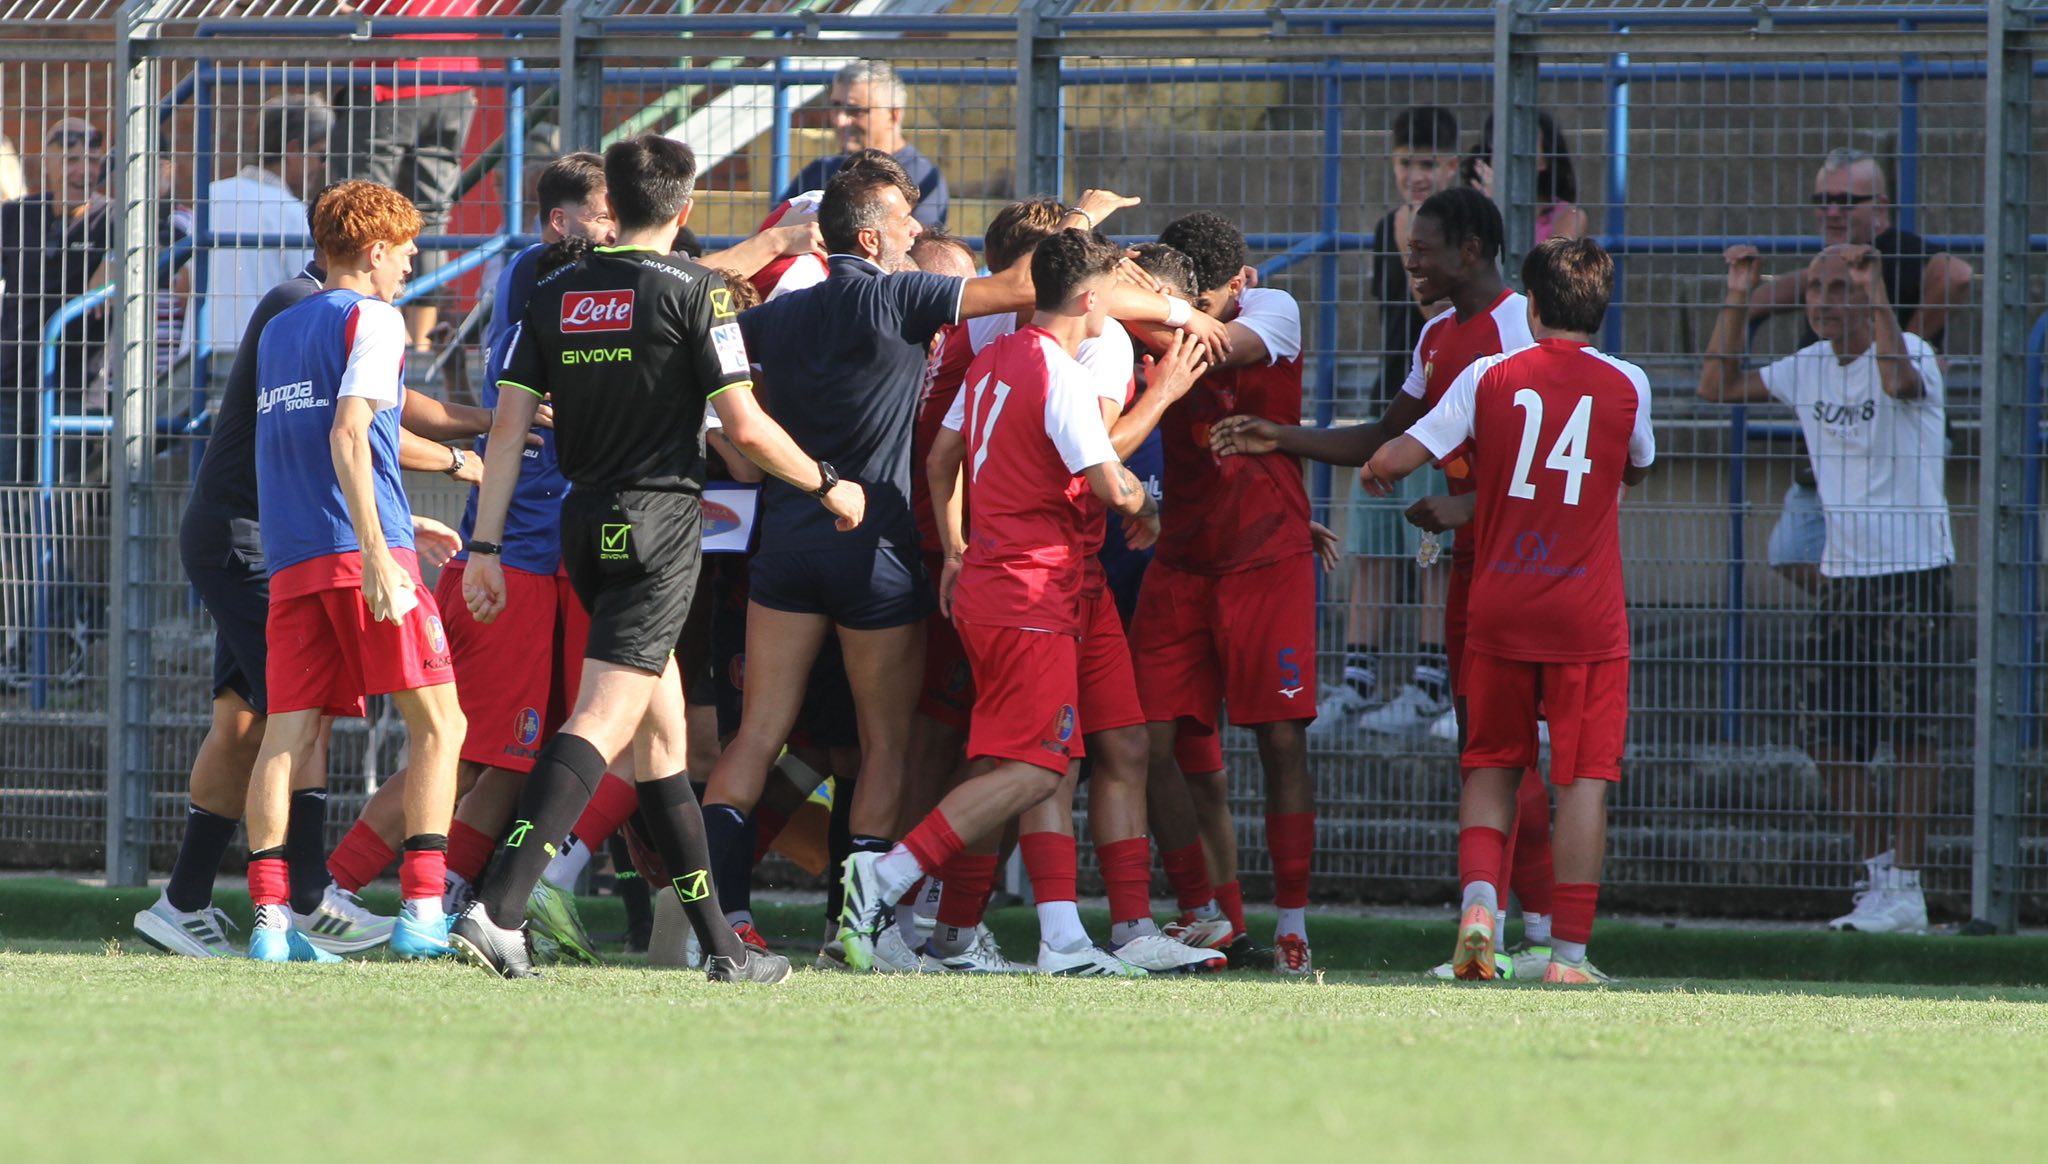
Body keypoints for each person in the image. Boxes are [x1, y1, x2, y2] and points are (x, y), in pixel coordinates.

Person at [696, 158, 1213, 942]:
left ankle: (724, 917)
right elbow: (1027, 286)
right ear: (870, 234)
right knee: (888, 745)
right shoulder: (898, 293)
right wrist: (1085, 224)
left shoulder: (779, 315)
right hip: (875, 543)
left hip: (787, 540)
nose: (918, 228)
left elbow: (703, 331)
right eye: (905, 217)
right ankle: (857, 929)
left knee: (758, 736)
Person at [452, 135, 854, 983]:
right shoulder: (698, 293)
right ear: (685, 206)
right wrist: (827, 485)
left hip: (582, 521)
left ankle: (720, 949)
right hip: (662, 524)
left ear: (616, 202)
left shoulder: (555, 288)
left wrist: (484, 543)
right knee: (601, 720)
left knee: (664, 743)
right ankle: (500, 905)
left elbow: (510, 425)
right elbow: (742, 427)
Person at [1210, 188, 1555, 975]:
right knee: (1488, 748)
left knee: (1504, 754)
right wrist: (1281, 438)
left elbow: (1536, 467)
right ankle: (1516, 930)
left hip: (1519, 569)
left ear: (1469, 249)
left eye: (1423, 251)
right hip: (1467, 569)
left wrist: (1466, 503)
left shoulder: (1518, 329)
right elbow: (1390, 435)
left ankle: (1531, 931)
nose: (1410, 265)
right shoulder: (1437, 334)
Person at [837, 228, 1159, 972]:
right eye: (1110, 292)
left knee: (1036, 754)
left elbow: (942, 457)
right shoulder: (1062, 375)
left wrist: (954, 547)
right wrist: (1151, 509)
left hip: (990, 581)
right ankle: (884, 878)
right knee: (1038, 766)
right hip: (1031, 588)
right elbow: (1110, 483)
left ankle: (1063, 941)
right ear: (1087, 299)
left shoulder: (991, 361)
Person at [1365, 236, 1654, 985]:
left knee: (1491, 765)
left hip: (1498, 606)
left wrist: (1380, 471)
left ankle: (1480, 910)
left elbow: (1392, 458)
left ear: (1529, 304)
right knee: (1582, 779)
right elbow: (1640, 464)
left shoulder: (1491, 376)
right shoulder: (1628, 383)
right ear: (1602, 308)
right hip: (1585, 616)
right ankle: (1568, 957)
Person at [241, 180, 468, 963]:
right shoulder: (373, 317)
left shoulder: (279, 327)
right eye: (406, 254)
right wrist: (378, 549)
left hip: (295, 554)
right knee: (443, 725)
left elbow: (303, 445)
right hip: (360, 553)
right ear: (374, 252)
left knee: (288, 736)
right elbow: (346, 434)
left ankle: (272, 928)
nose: (410, 268)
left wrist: (399, 516)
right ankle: (423, 913)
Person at [1701, 242, 1953, 935]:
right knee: (1827, 734)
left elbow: (1898, 382)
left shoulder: (1912, 356)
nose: (1820, 301)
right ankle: (1878, 880)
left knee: (1911, 732)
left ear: (1868, 293)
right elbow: (1716, 387)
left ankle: (1908, 885)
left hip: (1912, 573)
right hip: (1844, 577)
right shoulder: (1807, 367)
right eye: (1814, 288)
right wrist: (1738, 295)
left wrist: (1876, 298)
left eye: (1839, 287)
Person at [1114, 211, 1318, 975]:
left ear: (1240, 282)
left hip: (1267, 562)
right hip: (1182, 562)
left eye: (1213, 293)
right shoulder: (1153, 317)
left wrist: (1145, 302)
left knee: (1281, 739)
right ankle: (1206, 914)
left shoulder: (1273, 308)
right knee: (1147, 741)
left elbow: (1216, 343)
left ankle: (1294, 923)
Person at [1748, 148, 1973, 596]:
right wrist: (1750, 297)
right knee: (1791, 549)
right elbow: (1780, 292)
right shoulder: (1831, 260)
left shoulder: (1897, 251)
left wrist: (1911, 344)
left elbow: (1959, 275)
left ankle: (1879, 610)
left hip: (1897, 427)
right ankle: (1857, 607)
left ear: (1880, 207)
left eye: (1846, 200)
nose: (1831, 211)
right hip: (1835, 432)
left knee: (1894, 556)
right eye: (1822, 200)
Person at [1340, 105, 1462, 727]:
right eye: (1407, 163)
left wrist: (1415, 240)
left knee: (1429, 548)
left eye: (1430, 163)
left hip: (1441, 414)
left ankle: (1429, 680)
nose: (1417, 175)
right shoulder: (1384, 225)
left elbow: (1440, 321)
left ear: (1453, 165)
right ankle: (1357, 682)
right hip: (1390, 402)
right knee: (1374, 546)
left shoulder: (1459, 233)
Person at [330, 0, 481, 351]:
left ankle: (376, 333)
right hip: (456, 78)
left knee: (365, 212)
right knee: (431, 216)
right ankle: (422, 342)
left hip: (392, 73)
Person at [205, 94, 331, 369]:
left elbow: (184, 286)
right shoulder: (294, 214)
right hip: (260, 360)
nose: (322, 165)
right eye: (320, 153)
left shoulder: (211, 196)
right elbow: (313, 297)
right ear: (294, 149)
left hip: (198, 354)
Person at [781, 61, 949, 229]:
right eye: (836, 106)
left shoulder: (923, 178)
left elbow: (916, 250)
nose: (840, 120)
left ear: (893, 115)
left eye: (855, 110)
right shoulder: (819, 171)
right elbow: (773, 234)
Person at [1460, 111, 1589, 243]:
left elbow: (1547, 263)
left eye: (1523, 144)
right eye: (1502, 145)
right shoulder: (1471, 211)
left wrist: (1500, 210)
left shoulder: (1569, 217)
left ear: (1544, 160)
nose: (1512, 154)